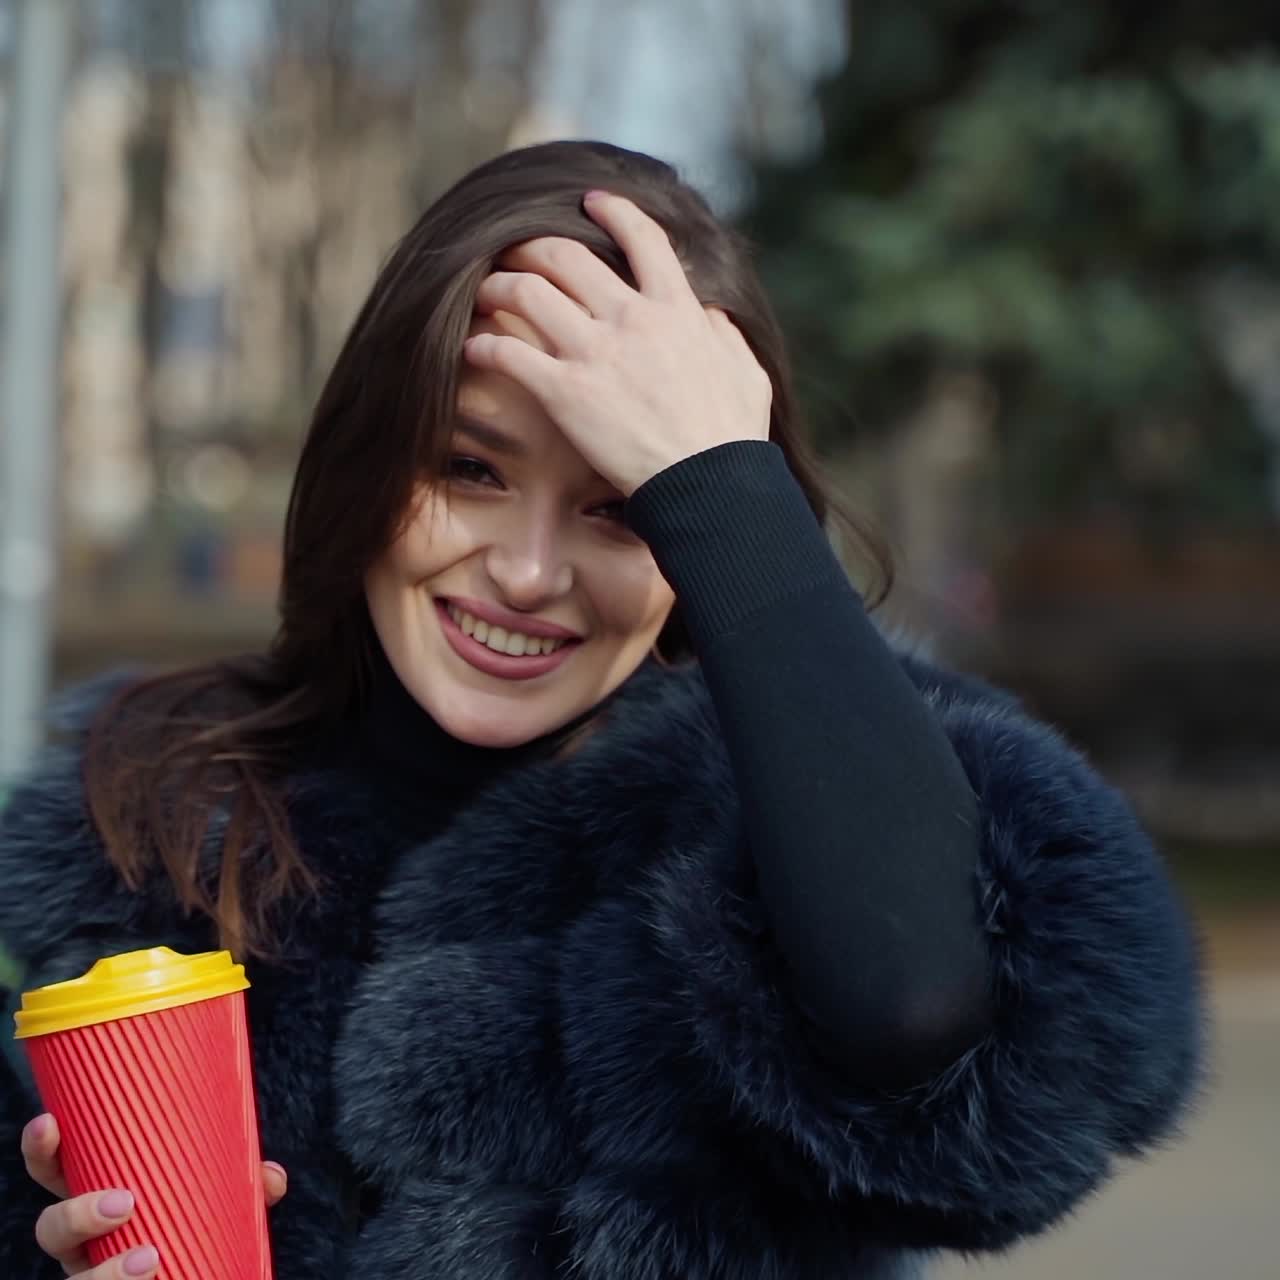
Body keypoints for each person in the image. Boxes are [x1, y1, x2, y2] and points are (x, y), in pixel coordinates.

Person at [0, 140, 1202, 1280]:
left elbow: (966, 1048)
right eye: (469, 468)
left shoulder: (802, 808)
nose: (526, 571)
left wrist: (720, 478)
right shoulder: (136, 822)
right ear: (366, 465)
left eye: (619, 504)